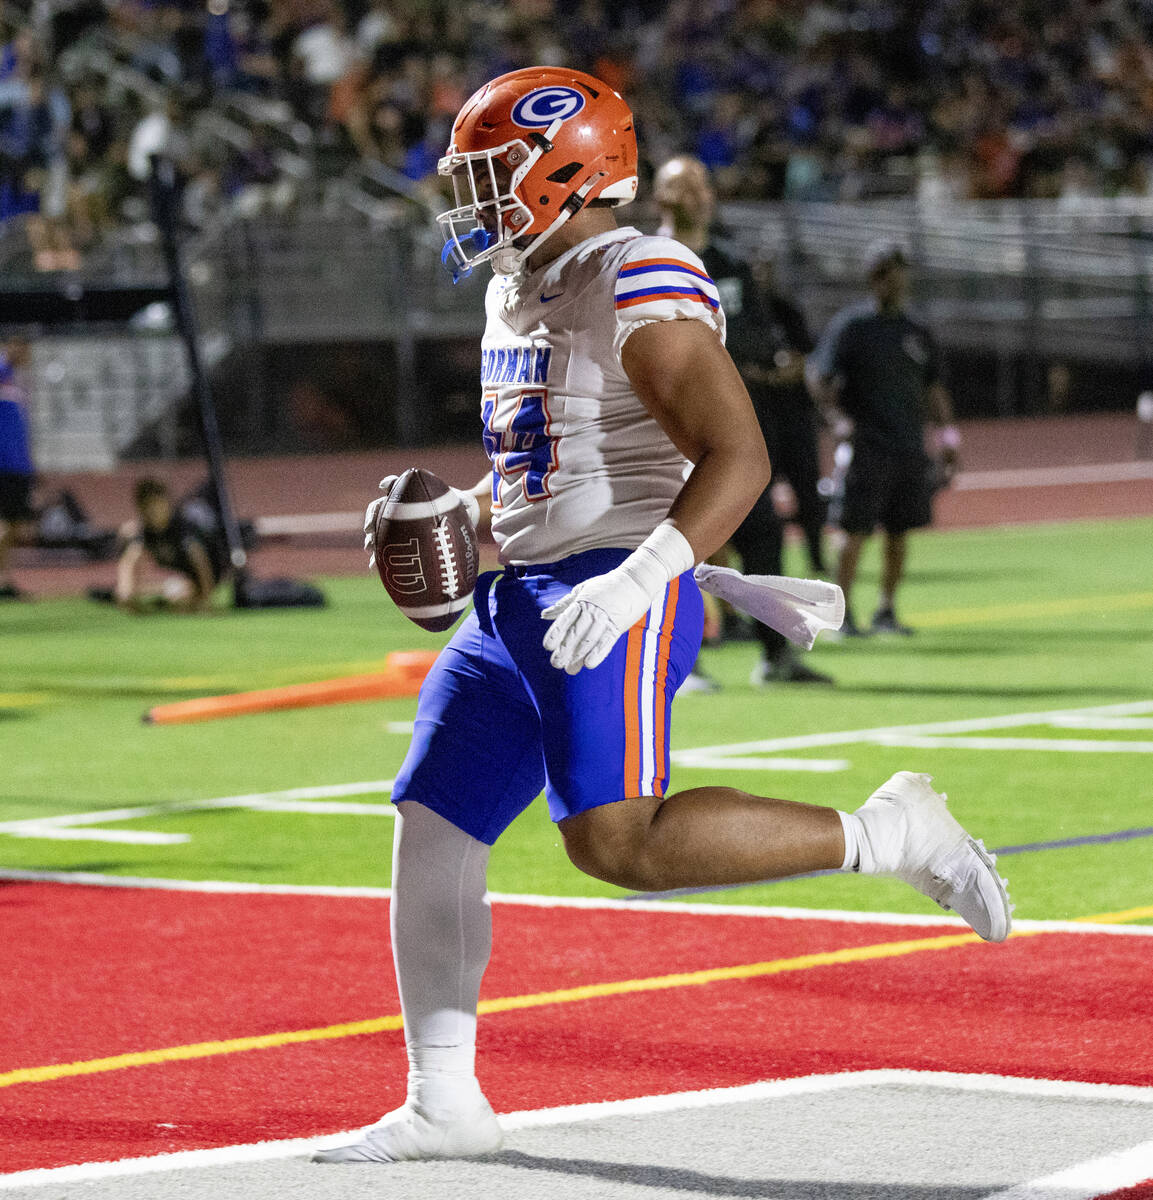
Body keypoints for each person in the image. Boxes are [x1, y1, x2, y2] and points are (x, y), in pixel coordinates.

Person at [311, 67, 1009, 1167]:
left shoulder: (637, 275)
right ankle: (443, 1098)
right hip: (523, 593)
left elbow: (740, 456)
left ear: (566, 168)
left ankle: (887, 834)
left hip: (611, 586)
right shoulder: (515, 282)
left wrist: (643, 582)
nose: (476, 200)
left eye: (493, 175)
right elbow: (550, 466)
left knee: (617, 844)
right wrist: (468, 507)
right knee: (434, 820)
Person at [652, 154, 831, 686]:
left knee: (763, 536)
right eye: (686, 188)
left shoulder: (728, 264)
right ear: (661, 198)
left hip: (732, 425)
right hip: (672, 429)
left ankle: (774, 656)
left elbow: (756, 332)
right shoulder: (647, 259)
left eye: (703, 185)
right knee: (676, 544)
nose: (699, 196)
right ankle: (678, 666)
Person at [807, 241, 960, 637]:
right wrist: (837, 419)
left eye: (898, 271)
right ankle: (840, 614)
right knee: (854, 528)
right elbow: (818, 377)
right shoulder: (853, 327)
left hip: (908, 443)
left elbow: (934, 389)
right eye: (886, 272)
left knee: (900, 529)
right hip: (868, 444)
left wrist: (948, 438)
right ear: (873, 278)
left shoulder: (916, 331)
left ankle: (886, 610)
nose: (894, 279)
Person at [113, 477, 229, 612]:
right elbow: (129, 561)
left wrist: (206, 600)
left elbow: (201, 562)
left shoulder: (182, 528)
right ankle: (166, 596)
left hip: (214, 569)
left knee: (180, 600)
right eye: (148, 508)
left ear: (167, 504)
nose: (153, 513)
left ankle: (175, 596)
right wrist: (126, 590)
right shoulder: (143, 532)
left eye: (157, 506)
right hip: (188, 577)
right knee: (174, 598)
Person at [0, 337, 35, 599]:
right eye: (18, 346)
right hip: (3, 464)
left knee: (16, 527)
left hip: (18, 465)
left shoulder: (17, 382)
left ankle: (4, 581)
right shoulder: (2, 371)